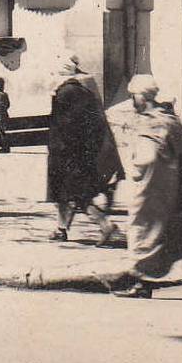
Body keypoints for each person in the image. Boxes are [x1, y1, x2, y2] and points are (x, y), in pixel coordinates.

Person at [109, 75, 182, 296]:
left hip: (153, 192)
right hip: (163, 189)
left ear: (142, 96)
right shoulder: (166, 120)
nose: (132, 100)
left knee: (144, 234)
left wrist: (136, 168)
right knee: (163, 235)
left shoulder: (155, 122)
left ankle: (141, 281)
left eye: (133, 95)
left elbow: (150, 158)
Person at [46, 69, 125, 245]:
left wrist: (59, 149)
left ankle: (105, 225)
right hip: (83, 152)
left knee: (75, 195)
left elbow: (64, 126)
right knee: (67, 194)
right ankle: (61, 229)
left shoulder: (64, 93)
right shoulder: (84, 91)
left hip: (66, 154)